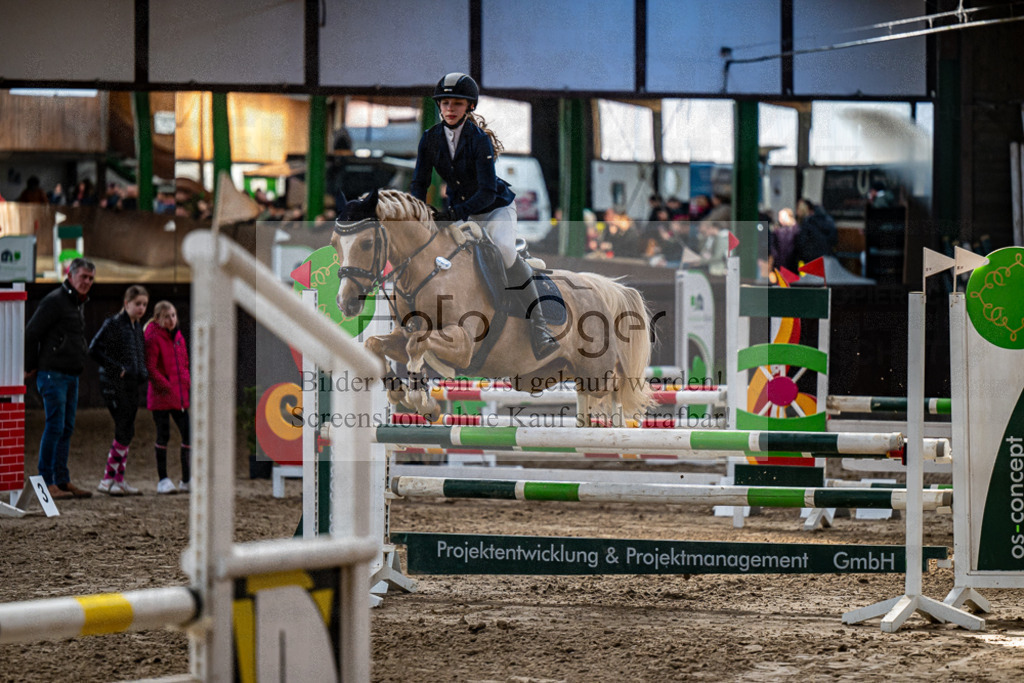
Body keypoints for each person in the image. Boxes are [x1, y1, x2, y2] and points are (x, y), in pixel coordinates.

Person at [409, 72, 558, 360]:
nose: (450, 108)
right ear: (439, 106)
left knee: (503, 251)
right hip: (461, 211)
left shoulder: (479, 141)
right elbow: (419, 182)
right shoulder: (430, 139)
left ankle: (540, 326)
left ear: (469, 107)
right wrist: (418, 212)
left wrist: (452, 214)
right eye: (445, 103)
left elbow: (488, 192)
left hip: (494, 209)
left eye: (457, 103)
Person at [23, 257, 97, 500]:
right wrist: (30, 366)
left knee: (65, 428)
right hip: (52, 374)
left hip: (69, 375)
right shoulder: (55, 301)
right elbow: (32, 332)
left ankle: (61, 480)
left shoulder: (76, 302)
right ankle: (46, 482)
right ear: (70, 274)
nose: (87, 281)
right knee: (55, 427)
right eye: (84, 276)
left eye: (90, 278)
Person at [90, 286, 149, 495]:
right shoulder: (113, 324)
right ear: (126, 304)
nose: (141, 308)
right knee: (124, 429)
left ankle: (118, 479)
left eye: (144, 304)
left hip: (132, 385)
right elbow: (93, 349)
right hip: (114, 385)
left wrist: (142, 373)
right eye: (137, 304)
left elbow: (139, 355)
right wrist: (117, 370)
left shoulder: (137, 327)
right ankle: (107, 479)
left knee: (128, 430)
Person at [145, 301, 191, 494]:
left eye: (173, 315)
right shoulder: (153, 338)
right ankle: (163, 479)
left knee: (189, 434)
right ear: (158, 319)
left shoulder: (179, 337)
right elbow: (151, 368)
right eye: (167, 316)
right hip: (162, 398)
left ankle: (187, 479)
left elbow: (184, 363)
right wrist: (167, 386)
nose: (171, 320)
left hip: (179, 396)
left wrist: (186, 383)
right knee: (163, 436)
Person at [794, 198, 838, 265]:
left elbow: (801, 242)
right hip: (827, 258)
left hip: (811, 260)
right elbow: (834, 240)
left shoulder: (808, 222)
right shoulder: (830, 221)